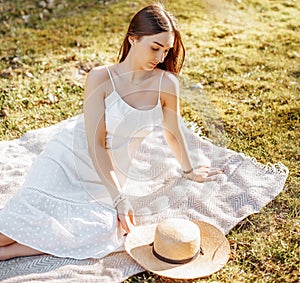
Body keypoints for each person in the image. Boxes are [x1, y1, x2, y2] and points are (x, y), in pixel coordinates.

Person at [0, 3, 223, 261]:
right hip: (69, 160)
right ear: (133, 39)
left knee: (101, 230)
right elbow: (96, 143)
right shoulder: (100, 78)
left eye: (166, 51)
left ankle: (7, 254)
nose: (160, 58)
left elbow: (172, 132)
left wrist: (189, 169)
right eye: (155, 48)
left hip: (110, 174)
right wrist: (119, 198)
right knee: (10, 229)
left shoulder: (166, 84)